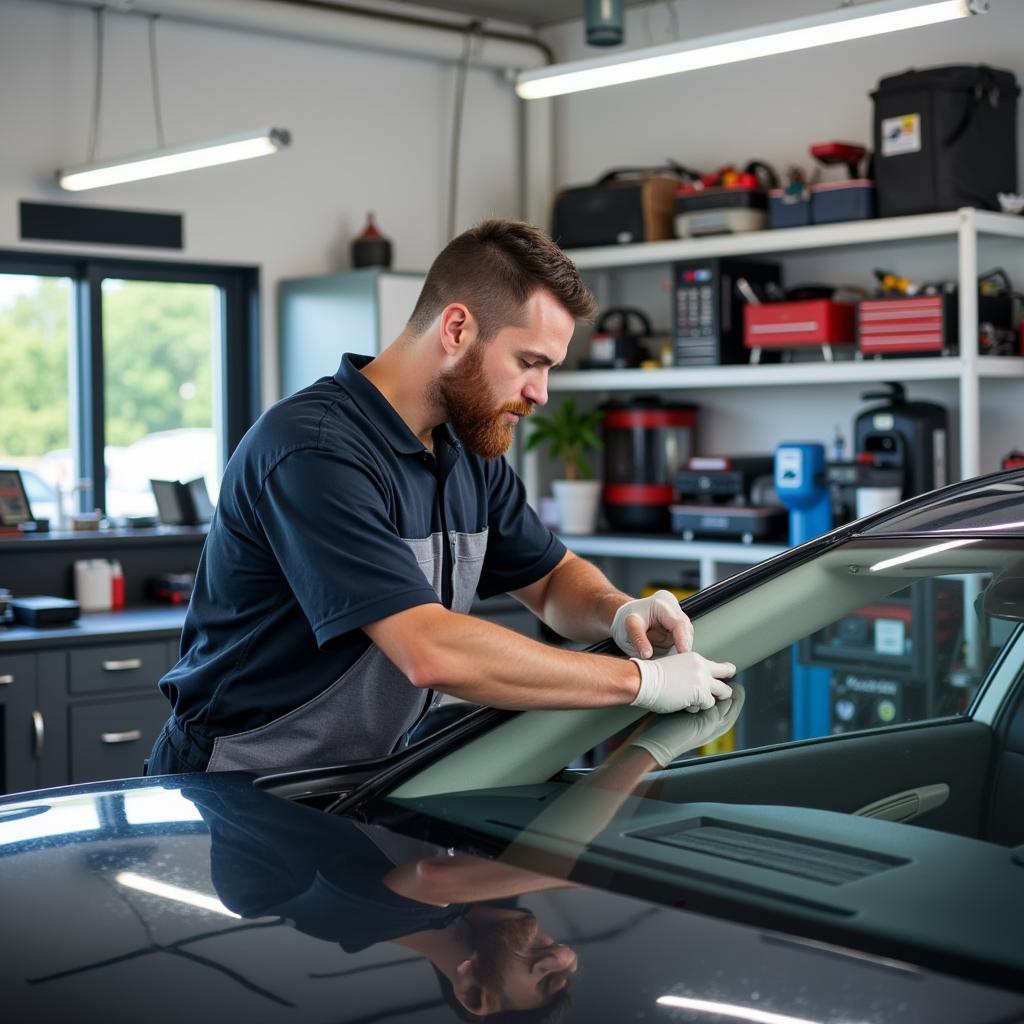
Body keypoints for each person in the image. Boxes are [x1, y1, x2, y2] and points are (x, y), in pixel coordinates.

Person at [148, 219, 735, 776]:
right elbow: (430, 650)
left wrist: (617, 610)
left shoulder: (467, 453)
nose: (542, 393)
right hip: (239, 782)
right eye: (529, 362)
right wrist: (640, 682)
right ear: (457, 329)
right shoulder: (314, 450)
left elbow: (553, 582)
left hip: (362, 776)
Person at [182, 690, 745, 1021]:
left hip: (254, 726)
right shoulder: (488, 901)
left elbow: (433, 877)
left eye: (547, 983)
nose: (566, 960)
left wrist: (651, 751)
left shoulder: (351, 923)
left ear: (476, 995)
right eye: (567, 975)